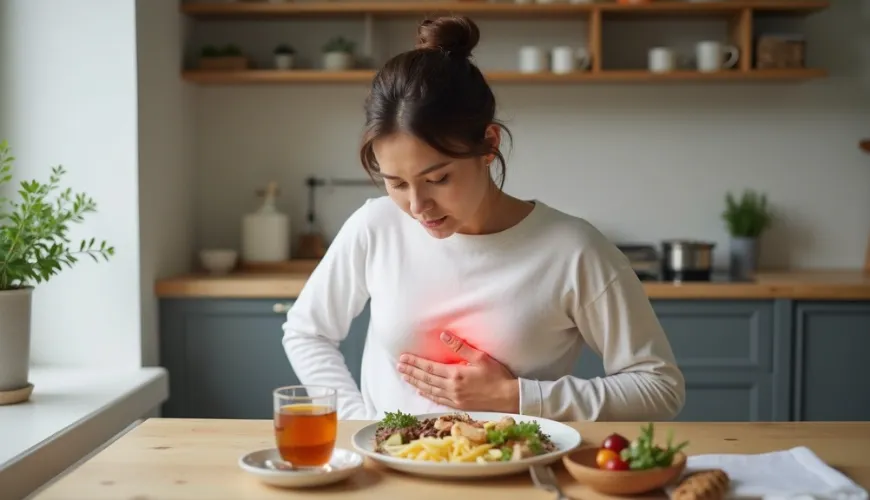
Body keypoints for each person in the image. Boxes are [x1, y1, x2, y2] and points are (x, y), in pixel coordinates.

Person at [282, 16, 685, 422]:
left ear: (489, 144)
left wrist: (516, 396)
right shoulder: (377, 226)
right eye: (397, 183)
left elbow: (660, 387)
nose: (418, 206)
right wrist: (359, 424)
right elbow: (306, 332)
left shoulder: (573, 251)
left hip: (519, 460)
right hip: (389, 461)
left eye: (437, 179)